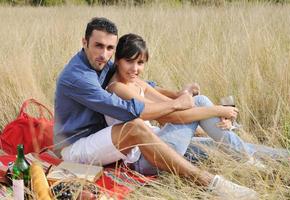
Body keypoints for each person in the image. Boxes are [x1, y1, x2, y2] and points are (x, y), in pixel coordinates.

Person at [54, 17, 258, 199]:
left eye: (109, 48)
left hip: (108, 137)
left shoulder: (104, 62)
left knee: (209, 144)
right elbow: (127, 109)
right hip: (77, 148)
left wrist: (179, 93)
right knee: (135, 126)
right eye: (98, 45)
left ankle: (281, 157)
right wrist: (178, 103)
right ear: (84, 42)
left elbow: (142, 84)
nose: (104, 53)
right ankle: (210, 183)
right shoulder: (78, 77)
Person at [105, 33, 290, 168]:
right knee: (202, 103)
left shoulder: (137, 81)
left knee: (223, 146)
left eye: (140, 63)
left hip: (162, 142)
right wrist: (218, 111)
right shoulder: (118, 88)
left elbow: (172, 107)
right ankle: (247, 158)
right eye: (129, 61)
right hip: (147, 159)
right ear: (117, 60)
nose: (135, 68)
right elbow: (174, 116)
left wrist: (187, 94)